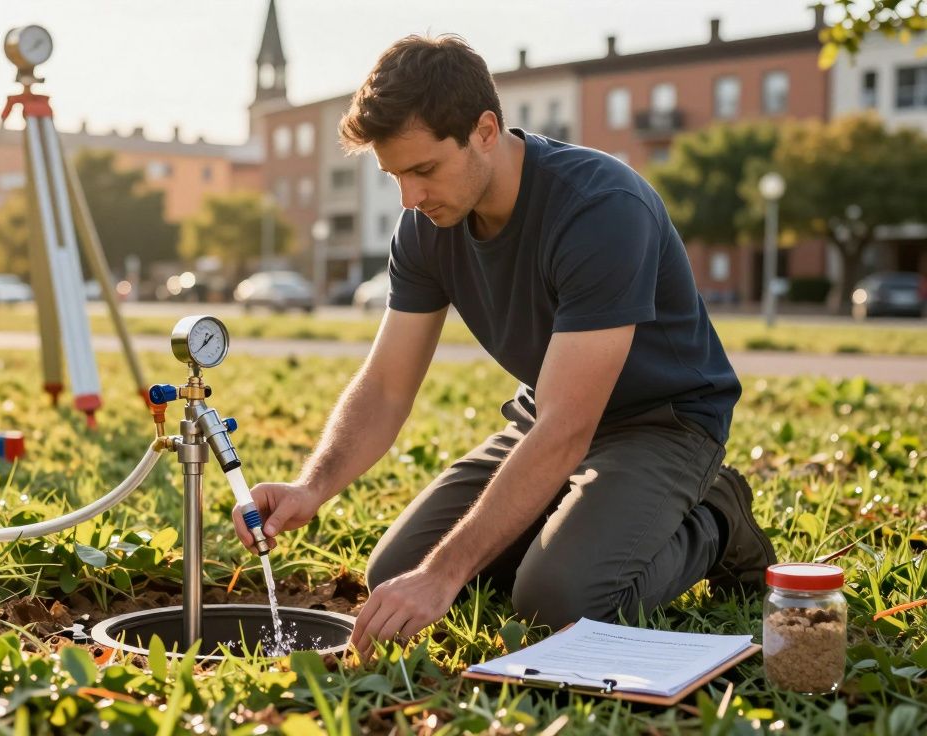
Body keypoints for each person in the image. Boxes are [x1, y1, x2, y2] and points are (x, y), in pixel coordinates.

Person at [232, 34, 775, 660]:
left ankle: (716, 520)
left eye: (424, 169)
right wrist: (311, 488)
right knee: (394, 573)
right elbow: (385, 386)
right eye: (395, 175)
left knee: (558, 601)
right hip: (544, 418)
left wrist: (444, 574)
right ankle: (575, 521)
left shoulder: (600, 208)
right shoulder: (426, 227)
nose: (409, 197)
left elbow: (570, 426)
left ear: (485, 130)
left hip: (663, 423)